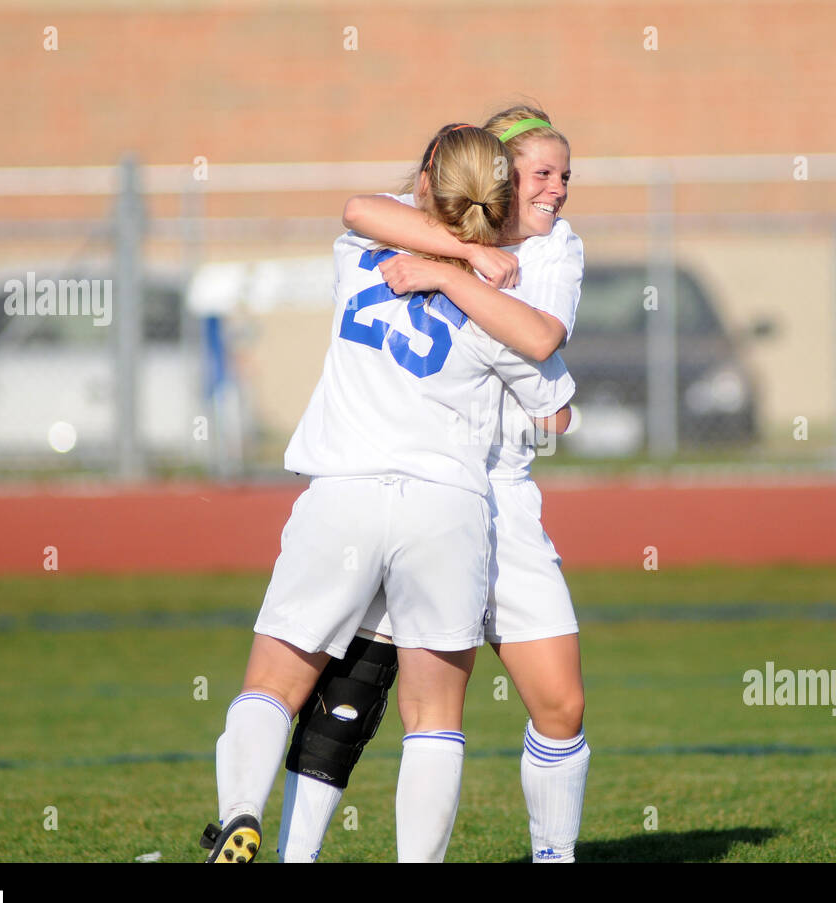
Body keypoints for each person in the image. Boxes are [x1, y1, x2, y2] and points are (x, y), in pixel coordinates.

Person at [202, 122, 576, 863]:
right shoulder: (495, 304)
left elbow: (360, 208)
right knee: (433, 716)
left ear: (427, 180)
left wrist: (452, 255)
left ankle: (241, 813)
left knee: (274, 683)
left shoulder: (362, 255)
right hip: (447, 506)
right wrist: (478, 275)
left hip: (342, 492)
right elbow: (552, 404)